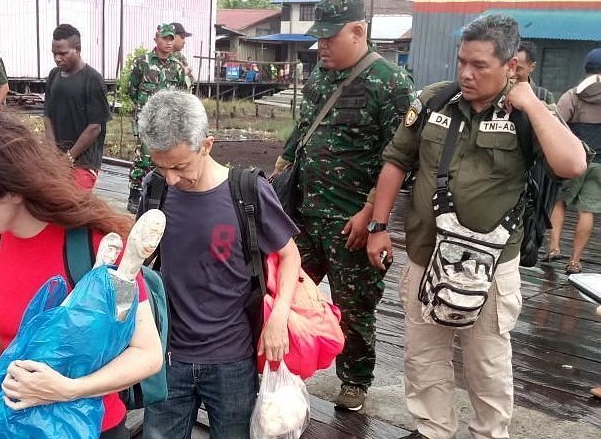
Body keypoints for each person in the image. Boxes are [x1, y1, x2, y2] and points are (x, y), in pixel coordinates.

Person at [366, 14, 587, 439]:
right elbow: (396, 161)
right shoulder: (434, 100)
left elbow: (572, 164)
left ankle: (488, 434)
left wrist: (531, 104)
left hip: (491, 267)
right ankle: (432, 429)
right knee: (423, 357)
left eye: (480, 65)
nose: (466, 73)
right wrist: (378, 225)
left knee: (486, 363)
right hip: (424, 255)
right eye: (461, 61)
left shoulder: (529, 111)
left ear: (511, 66)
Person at [0, 110, 163, 439]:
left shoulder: (94, 245)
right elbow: (6, 337)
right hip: (16, 426)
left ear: (12, 191)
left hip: (89, 427)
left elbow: (147, 355)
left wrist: (68, 389)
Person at [269, 0, 414, 412]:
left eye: (330, 37)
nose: (321, 46)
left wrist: (371, 215)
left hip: (351, 219)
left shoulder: (391, 83)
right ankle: (289, 360)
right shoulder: (320, 76)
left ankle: (355, 380)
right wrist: (284, 164)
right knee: (288, 291)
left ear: (358, 31)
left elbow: (400, 158)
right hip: (304, 212)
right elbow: (304, 126)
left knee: (356, 306)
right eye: (319, 37)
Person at [138, 90, 302, 439]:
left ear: (207, 145)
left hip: (231, 358)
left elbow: (290, 255)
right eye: (160, 166)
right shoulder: (155, 190)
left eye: (180, 166)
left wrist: (279, 316)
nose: (170, 177)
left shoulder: (247, 191)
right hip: (167, 357)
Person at [546, 48, 601, 274]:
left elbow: (556, 123)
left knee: (559, 200)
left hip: (575, 158)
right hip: (600, 164)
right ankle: (575, 261)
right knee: (587, 210)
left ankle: (554, 247)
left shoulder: (573, 95)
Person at [125, 23, 189, 213]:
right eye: (165, 38)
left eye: (171, 39)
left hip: (167, 121)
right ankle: (134, 195)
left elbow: (181, 94)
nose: (169, 43)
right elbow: (132, 89)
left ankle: (158, 196)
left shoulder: (177, 67)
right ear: (156, 39)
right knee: (143, 157)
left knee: (166, 158)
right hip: (146, 119)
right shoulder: (142, 62)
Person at [44, 24, 111, 190]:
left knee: (73, 208)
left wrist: (68, 158)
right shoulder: (53, 76)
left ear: (78, 49)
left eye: (63, 53)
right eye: (54, 54)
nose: (57, 58)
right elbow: (48, 117)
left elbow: (95, 127)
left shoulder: (93, 80)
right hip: (57, 162)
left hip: (83, 163)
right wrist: (53, 153)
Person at [169, 22, 194, 86]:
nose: (184, 42)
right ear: (172, 37)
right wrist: (183, 73)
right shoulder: (157, 57)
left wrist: (185, 75)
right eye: (182, 37)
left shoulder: (180, 57)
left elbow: (191, 81)